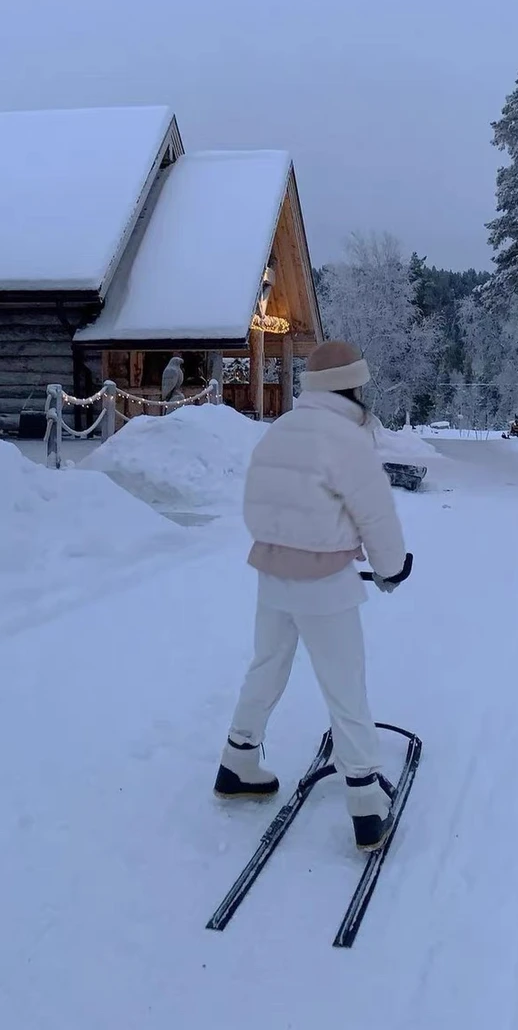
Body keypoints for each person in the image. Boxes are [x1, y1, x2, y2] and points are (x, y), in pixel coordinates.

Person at [213, 340, 412, 851]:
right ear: (352, 385)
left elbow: (258, 502)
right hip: (325, 583)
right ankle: (367, 801)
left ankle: (238, 763)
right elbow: (375, 513)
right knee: (345, 685)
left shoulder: (279, 431)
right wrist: (393, 567)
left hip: (273, 574)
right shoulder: (347, 439)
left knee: (266, 666)